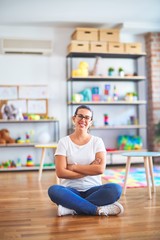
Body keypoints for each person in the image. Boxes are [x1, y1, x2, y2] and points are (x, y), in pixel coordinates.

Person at [48, 105, 124, 217]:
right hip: (70, 191)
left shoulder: (97, 142)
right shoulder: (63, 142)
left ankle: (71, 209)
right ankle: (96, 209)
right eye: (80, 116)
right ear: (74, 119)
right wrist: (89, 168)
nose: (83, 120)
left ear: (91, 122)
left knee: (115, 189)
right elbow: (60, 172)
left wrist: (74, 167)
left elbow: (100, 169)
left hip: (93, 189)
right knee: (54, 190)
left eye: (87, 117)